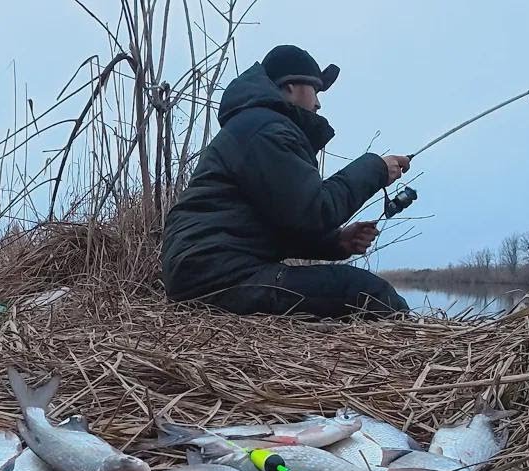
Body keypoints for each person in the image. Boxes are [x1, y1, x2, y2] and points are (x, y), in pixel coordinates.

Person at [160, 44, 411, 319]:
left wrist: (337, 242)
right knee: (369, 293)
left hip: (207, 272)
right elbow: (315, 211)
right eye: (315, 90)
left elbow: (276, 225)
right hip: (217, 276)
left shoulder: (255, 126)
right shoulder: (265, 130)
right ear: (290, 87)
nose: (319, 104)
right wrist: (376, 168)